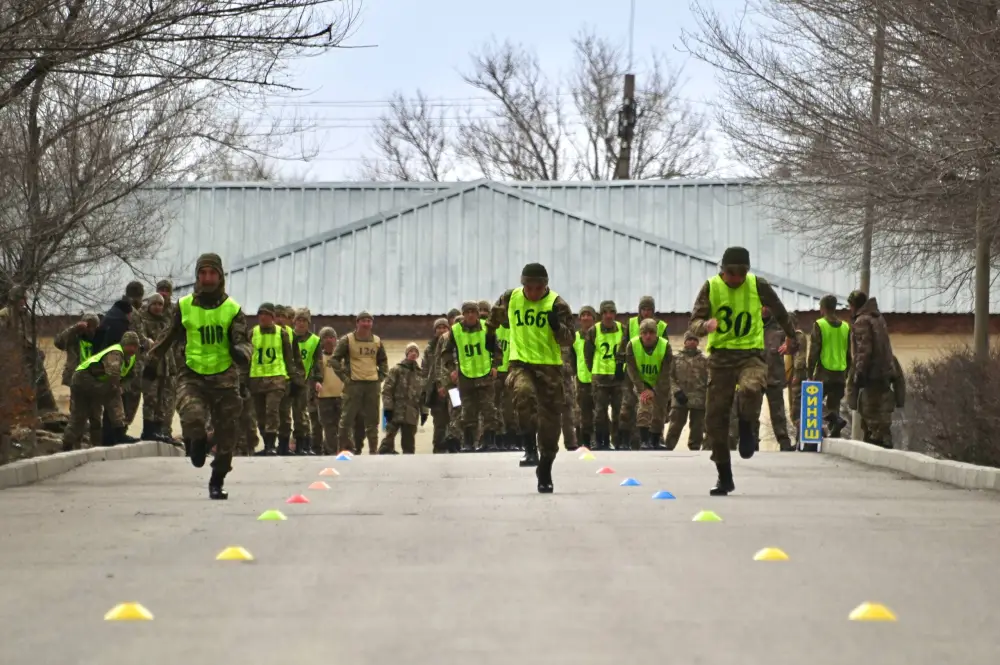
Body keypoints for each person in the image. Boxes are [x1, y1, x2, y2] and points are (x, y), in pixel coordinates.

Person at [688, 246, 798, 496]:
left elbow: (779, 311)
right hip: (721, 359)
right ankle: (724, 477)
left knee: (750, 388)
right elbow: (693, 324)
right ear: (722, 271)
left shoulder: (758, 286)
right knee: (715, 419)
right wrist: (706, 325)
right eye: (730, 273)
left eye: (740, 273)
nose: (736, 278)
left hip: (751, 355)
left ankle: (748, 426)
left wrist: (791, 337)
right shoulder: (711, 287)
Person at [147, 253, 250, 500]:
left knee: (227, 436)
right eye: (203, 274)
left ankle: (217, 480)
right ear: (197, 276)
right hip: (192, 375)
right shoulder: (183, 307)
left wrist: (241, 354)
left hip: (224, 378)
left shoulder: (232, 309)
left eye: (212, 274)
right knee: (192, 417)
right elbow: (167, 336)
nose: (207, 279)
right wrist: (152, 360)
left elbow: (244, 342)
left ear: (220, 276)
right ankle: (197, 442)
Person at [488, 263, 575, 493]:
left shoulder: (557, 304)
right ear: (522, 284)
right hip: (520, 364)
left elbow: (569, 340)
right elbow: (494, 317)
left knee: (550, 426)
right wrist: (490, 336)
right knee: (523, 393)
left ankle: (545, 468)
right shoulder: (511, 297)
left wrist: (557, 327)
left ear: (546, 285)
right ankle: (528, 446)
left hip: (549, 369)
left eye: (539, 288)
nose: (534, 292)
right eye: (529, 287)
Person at [61, 332, 141, 451]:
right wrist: (118, 388)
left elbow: (131, 376)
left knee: (96, 416)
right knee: (80, 415)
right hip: (83, 380)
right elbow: (113, 375)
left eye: (135, 346)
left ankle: (97, 445)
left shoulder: (132, 357)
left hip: (98, 382)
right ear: (124, 344)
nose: (133, 349)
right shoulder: (116, 353)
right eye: (130, 345)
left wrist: (122, 387)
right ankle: (68, 443)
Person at [440, 301, 500, 452]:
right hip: (465, 376)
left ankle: (489, 442)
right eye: (468, 312)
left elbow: (497, 349)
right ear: (464, 314)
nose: (471, 315)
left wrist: (495, 366)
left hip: (485, 374)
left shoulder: (487, 327)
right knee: (467, 411)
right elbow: (446, 352)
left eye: (474, 312)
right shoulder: (456, 330)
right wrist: (452, 369)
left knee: (489, 411)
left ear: (478, 313)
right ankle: (468, 443)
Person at [330, 311, 389, 455]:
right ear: (357, 323)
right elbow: (334, 359)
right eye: (363, 320)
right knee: (347, 419)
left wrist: (380, 376)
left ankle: (373, 451)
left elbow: (383, 361)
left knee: (372, 420)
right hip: (354, 385)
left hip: (372, 385)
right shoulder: (347, 340)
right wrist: (345, 378)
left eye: (369, 321)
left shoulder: (376, 341)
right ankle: (343, 450)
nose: (366, 323)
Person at [846, 290, 897, 448]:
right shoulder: (878, 318)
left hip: (872, 373)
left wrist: (859, 373)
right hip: (885, 371)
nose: (849, 309)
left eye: (850, 306)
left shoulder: (862, 321)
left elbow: (864, 350)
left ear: (855, 305)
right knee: (882, 409)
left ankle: (877, 440)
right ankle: (884, 438)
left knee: (869, 410)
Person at [248, 303, 295, 456]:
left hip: (276, 378)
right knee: (260, 414)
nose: (263, 317)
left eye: (266, 314)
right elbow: (246, 358)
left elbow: (289, 358)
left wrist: (293, 379)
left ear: (273, 317)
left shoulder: (282, 334)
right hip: (257, 379)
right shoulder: (252, 333)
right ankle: (266, 441)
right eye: (260, 314)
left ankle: (271, 445)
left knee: (272, 411)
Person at [623, 319, 673, 450]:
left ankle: (655, 441)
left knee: (660, 411)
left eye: (651, 332)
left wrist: (655, 389)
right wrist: (643, 389)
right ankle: (644, 441)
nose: (648, 336)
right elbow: (631, 370)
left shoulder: (665, 346)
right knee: (644, 406)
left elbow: (666, 371)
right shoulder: (632, 345)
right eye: (644, 333)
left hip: (660, 383)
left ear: (656, 333)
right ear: (640, 334)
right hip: (642, 382)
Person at [808, 295, 850, 438]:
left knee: (815, 402)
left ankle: (818, 431)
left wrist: (809, 373)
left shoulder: (820, 325)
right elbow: (849, 352)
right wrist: (847, 373)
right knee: (834, 404)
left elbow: (814, 351)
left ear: (823, 308)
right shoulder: (845, 326)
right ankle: (835, 432)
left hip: (824, 372)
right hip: (840, 373)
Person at [379, 342, 425, 454]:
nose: (413, 353)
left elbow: (423, 395)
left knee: (409, 445)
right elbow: (387, 390)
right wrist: (388, 408)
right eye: (410, 351)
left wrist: (424, 411)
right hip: (395, 411)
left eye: (415, 352)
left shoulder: (420, 374)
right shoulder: (396, 370)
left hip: (412, 413)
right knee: (388, 441)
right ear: (406, 353)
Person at [664, 332, 708, 451]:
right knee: (675, 426)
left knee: (697, 428)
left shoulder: (705, 360)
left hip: (699, 398)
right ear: (685, 342)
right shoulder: (675, 358)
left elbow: (709, 379)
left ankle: (695, 449)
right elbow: (669, 377)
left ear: (698, 343)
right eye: (689, 339)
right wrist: (676, 391)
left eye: (694, 340)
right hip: (680, 398)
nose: (692, 342)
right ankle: (668, 448)